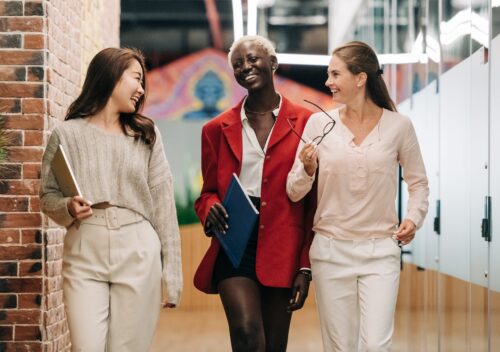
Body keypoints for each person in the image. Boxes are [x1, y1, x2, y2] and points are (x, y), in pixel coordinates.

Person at [287, 41, 429, 352]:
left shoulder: (399, 126)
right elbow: (294, 191)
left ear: (360, 78)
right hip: (330, 252)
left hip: (380, 252)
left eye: (335, 74)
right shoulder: (319, 124)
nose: (328, 82)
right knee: (340, 346)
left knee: (377, 345)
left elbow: (418, 183)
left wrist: (413, 218)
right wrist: (307, 169)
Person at [40, 47, 182, 352]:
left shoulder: (146, 135)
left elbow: (163, 206)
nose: (142, 89)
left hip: (138, 248)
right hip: (84, 249)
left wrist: (172, 273)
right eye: (136, 79)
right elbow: (47, 195)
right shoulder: (66, 134)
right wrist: (67, 206)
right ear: (111, 77)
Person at [193, 35, 315, 352]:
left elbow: (314, 203)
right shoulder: (215, 129)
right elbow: (206, 193)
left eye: (252, 59)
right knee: (247, 333)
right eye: (237, 64)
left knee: (274, 346)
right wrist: (211, 208)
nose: (245, 66)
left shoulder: (307, 123)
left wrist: (305, 266)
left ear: (272, 63)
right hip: (234, 239)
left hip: (283, 244)